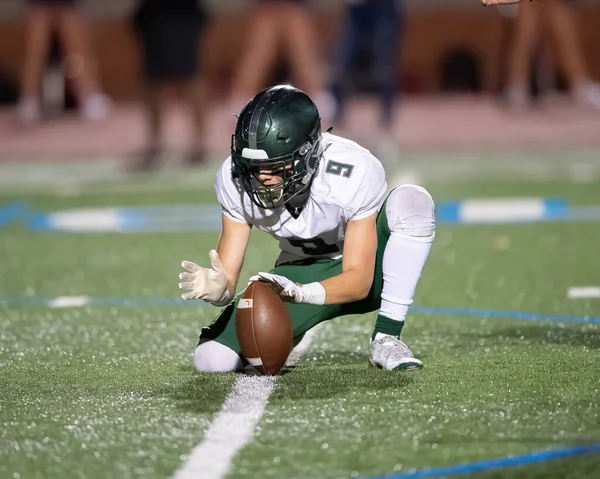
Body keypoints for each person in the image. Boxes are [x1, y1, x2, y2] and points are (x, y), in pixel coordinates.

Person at [177, 85, 436, 373]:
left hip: (368, 269)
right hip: (296, 272)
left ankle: (387, 337)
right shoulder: (234, 180)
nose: (262, 179)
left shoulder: (350, 169)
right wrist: (219, 291)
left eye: (276, 168)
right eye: (252, 167)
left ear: (309, 153)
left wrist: (302, 293)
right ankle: (283, 333)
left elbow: (359, 282)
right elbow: (226, 274)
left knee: (413, 203)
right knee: (211, 360)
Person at [130, 0, 209, 171]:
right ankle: (155, 142)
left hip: (183, 12)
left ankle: (199, 143)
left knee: (189, 74)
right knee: (151, 76)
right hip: (153, 11)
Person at [17, 0, 111, 125]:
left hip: (68, 5)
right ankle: (29, 99)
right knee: (36, 49)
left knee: (76, 47)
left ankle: (89, 95)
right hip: (38, 5)